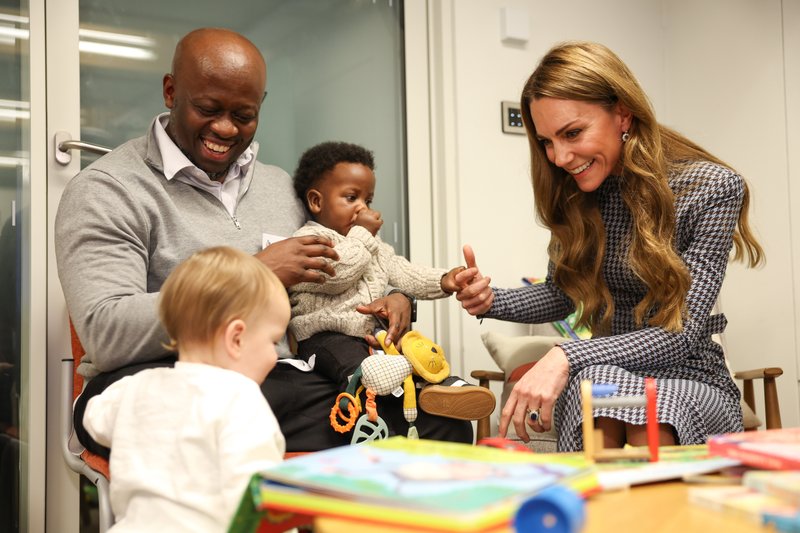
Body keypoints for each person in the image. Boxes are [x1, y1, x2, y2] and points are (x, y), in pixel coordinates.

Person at [55, 27, 472, 456]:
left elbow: (349, 271)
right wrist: (252, 273)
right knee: (200, 416)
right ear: (170, 90)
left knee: (442, 421)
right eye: (207, 108)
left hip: (282, 375)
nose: (224, 128)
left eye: (244, 115)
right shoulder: (107, 189)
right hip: (162, 377)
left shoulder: (281, 189)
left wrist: (399, 295)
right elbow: (107, 332)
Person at [454, 41, 764, 452]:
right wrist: (491, 300)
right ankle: (592, 512)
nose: (560, 157)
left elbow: (680, 335)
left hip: (691, 375)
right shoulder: (577, 192)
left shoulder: (710, 188)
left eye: (572, 133)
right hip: (604, 370)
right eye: (547, 141)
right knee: (597, 389)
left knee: (651, 407)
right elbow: (563, 294)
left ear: (622, 113)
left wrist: (565, 355)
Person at [289, 141, 495, 424]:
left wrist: (446, 280)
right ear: (316, 201)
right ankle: (361, 396)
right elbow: (337, 272)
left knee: (413, 348)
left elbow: (403, 272)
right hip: (324, 337)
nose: (363, 208)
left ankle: (445, 387)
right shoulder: (307, 240)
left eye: (368, 200)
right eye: (351, 198)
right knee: (352, 361)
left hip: (369, 336)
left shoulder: (369, 242)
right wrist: (363, 233)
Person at [83, 246, 288, 531]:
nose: (275, 355)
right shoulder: (241, 400)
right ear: (236, 338)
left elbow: (95, 418)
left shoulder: (136, 387)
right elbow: (257, 498)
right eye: (274, 341)